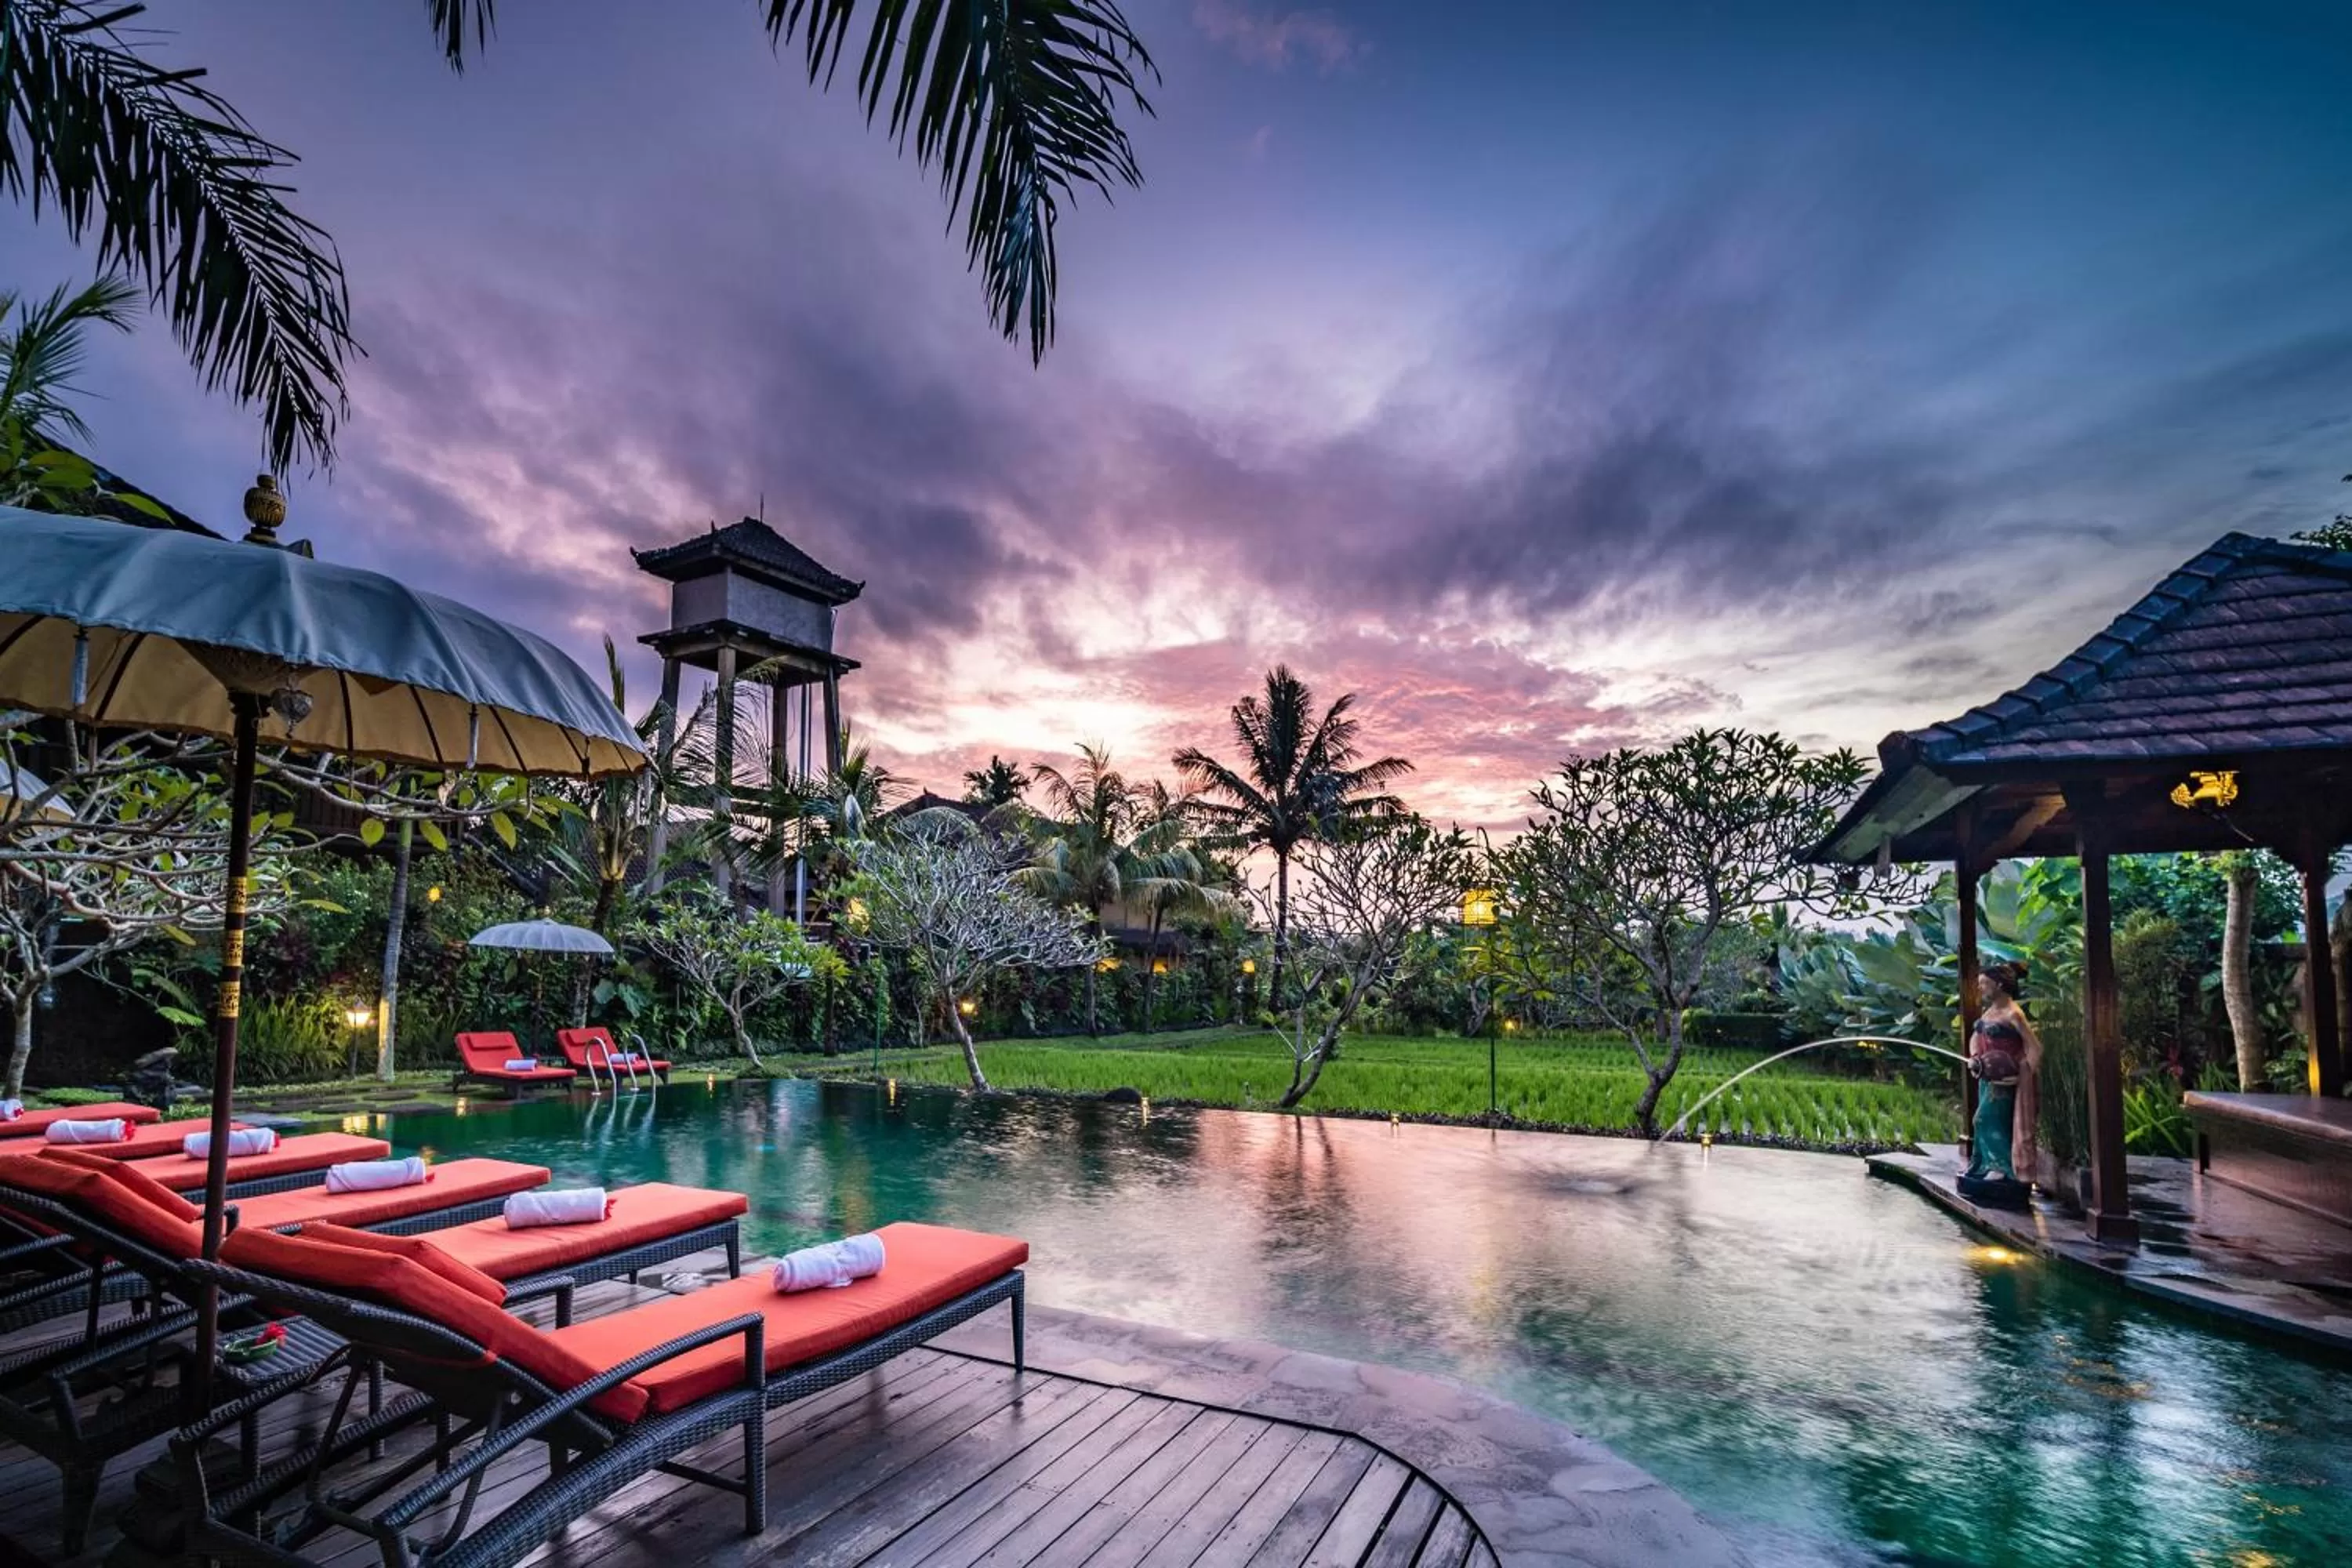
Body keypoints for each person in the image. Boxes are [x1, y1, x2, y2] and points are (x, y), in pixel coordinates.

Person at [1960, 960, 2041, 1206]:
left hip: (2006, 1079)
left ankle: (2002, 1167)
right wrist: (1975, 1059)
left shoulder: (2014, 1014)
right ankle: (1985, 1165)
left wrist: (2024, 1074)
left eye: (1984, 983)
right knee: (1985, 1119)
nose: (1981, 988)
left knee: (1984, 1119)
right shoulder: (1990, 1012)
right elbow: (1976, 1036)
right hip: (1988, 1076)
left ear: (1999, 984)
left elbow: (2035, 1047)